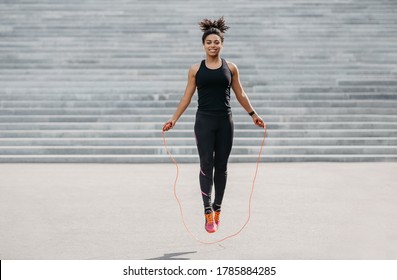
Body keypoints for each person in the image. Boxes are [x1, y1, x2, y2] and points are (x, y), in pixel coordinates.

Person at [162, 17, 265, 234]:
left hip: (225, 122)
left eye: (216, 42)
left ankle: (218, 208)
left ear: (222, 44)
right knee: (206, 164)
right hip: (204, 122)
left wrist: (253, 114)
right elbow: (186, 97)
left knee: (222, 166)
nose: (212, 45)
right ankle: (207, 211)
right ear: (203, 45)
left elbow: (241, 94)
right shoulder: (195, 69)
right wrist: (174, 119)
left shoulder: (231, 68)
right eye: (209, 42)